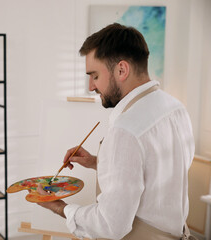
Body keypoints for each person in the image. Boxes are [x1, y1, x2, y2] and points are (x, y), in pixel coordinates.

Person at [36, 23, 195, 240]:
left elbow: (110, 225)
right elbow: (158, 173)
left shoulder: (125, 130)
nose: (91, 86)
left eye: (95, 76)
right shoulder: (175, 108)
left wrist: (60, 207)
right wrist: (97, 162)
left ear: (121, 70)